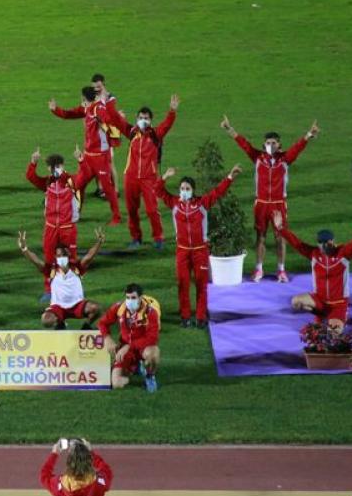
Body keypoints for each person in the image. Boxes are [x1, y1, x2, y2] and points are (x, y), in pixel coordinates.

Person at [221, 115, 320, 282]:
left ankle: (281, 270)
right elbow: (243, 144)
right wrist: (229, 129)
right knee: (260, 237)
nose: (271, 145)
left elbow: (298, 147)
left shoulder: (285, 159)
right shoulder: (258, 158)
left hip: (278, 204)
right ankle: (259, 269)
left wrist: (309, 134)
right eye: (268, 143)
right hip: (261, 204)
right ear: (263, 145)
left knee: (280, 237)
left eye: (274, 143)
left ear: (279, 145)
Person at [156, 165, 242, 328]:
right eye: (182, 188)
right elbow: (157, 190)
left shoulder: (202, 203)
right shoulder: (174, 203)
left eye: (187, 188)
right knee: (183, 284)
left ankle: (201, 316)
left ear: (193, 190)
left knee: (201, 284)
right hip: (182, 251)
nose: (184, 191)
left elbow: (218, 192)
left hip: (199, 251)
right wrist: (165, 176)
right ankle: (185, 317)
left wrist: (230, 177)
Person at [276, 210, 352, 331]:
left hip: (339, 305)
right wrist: (280, 228)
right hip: (319, 301)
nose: (322, 245)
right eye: (320, 242)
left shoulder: (343, 253)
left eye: (325, 242)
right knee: (296, 302)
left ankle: (338, 318)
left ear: (332, 242)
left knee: (333, 334)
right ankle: (320, 315)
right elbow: (297, 244)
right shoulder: (314, 254)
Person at [108, 95, 178, 250]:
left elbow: (167, 124)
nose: (143, 120)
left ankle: (158, 238)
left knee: (152, 210)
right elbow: (116, 120)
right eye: (140, 117)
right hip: (131, 177)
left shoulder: (155, 134)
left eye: (146, 118)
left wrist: (172, 111)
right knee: (132, 210)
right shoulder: (132, 132)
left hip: (148, 178)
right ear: (136, 118)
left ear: (151, 120)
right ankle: (136, 238)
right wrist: (109, 101)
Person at [49, 88, 122, 225]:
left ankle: (116, 217)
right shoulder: (86, 108)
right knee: (78, 185)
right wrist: (55, 109)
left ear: (85, 98)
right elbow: (69, 114)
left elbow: (111, 122)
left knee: (107, 188)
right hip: (88, 158)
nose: (81, 102)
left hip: (101, 157)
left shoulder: (98, 109)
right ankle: (76, 214)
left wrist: (113, 121)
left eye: (82, 99)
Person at [19, 227, 106, 330]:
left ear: (69, 254)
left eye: (64, 254)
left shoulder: (76, 267)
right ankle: (60, 322)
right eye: (59, 255)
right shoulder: (51, 270)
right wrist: (24, 249)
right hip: (58, 307)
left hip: (77, 305)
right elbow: (36, 261)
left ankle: (86, 326)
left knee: (96, 309)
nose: (62, 258)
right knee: (46, 321)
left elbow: (89, 256)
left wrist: (99, 242)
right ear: (55, 256)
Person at [97, 283, 162, 392]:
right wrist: (107, 338)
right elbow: (102, 323)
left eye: (133, 298)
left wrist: (128, 346)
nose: (129, 300)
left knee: (153, 353)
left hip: (143, 348)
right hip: (126, 351)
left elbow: (152, 338)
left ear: (140, 298)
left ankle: (150, 376)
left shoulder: (150, 313)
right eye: (127, 297)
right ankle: (135, 367)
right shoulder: (119, 308)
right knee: (117, 383)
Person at [39, 438, 113, 496]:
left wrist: (55, 453)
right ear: (89, 460)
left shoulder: (61, 484)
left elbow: (44, 475)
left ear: (69, 462)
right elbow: (106, 470)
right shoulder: (100, 482)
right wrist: (91, 452)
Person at [25, 152, 80, 264]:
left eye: (58, 166)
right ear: (49, 168)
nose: (56, 169)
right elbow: (31, 177)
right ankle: (50, 281)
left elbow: (83, 175)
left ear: (62, 166)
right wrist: (33, 162)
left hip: (67, 227)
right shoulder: (48, 182)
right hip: (51, 227)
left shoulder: (70, 181)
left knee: (71, 260)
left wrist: (81, 160)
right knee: (49, 260)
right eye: (53, 167)